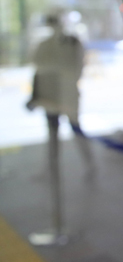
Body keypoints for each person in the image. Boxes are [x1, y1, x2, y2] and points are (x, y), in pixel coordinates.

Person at [27, 13, 94, 171]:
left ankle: (89, 164)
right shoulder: (45, 45)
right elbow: (38, 67)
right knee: (53, 134)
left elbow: (77, 67)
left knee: (75, 129)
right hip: (51, 97)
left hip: (67, 95)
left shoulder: (73, 43)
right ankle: (53, 169)